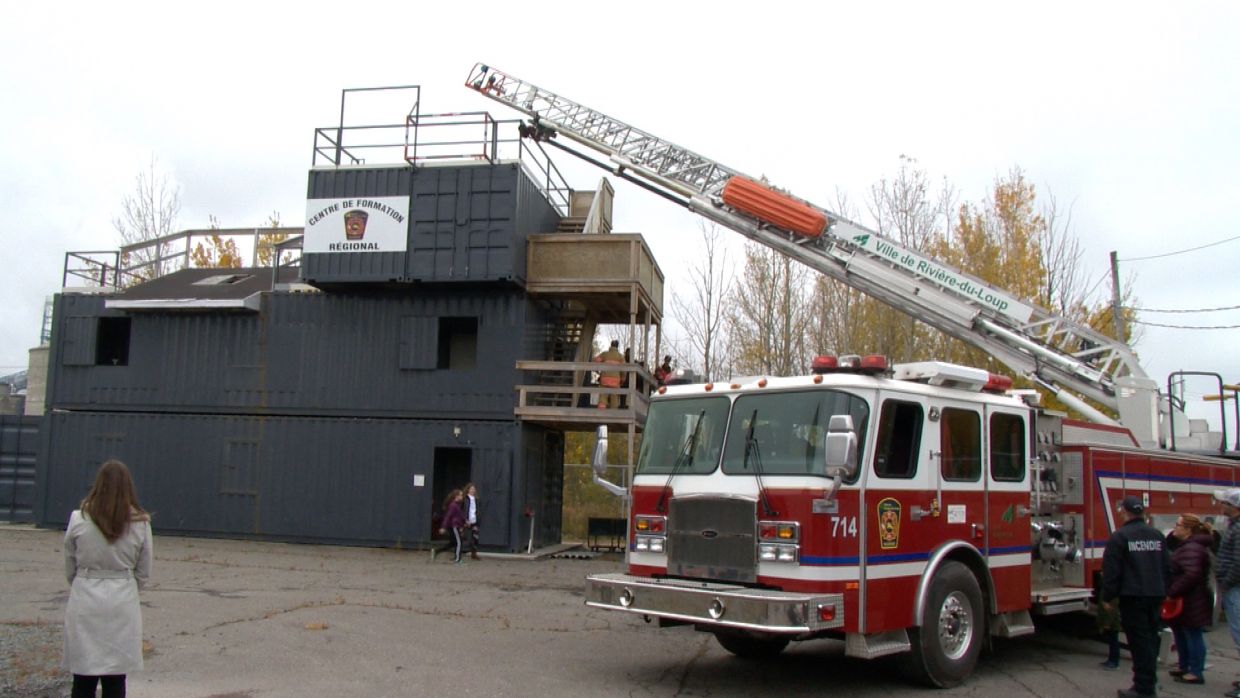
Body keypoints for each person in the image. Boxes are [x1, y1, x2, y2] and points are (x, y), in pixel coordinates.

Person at [63, 459, 153, 698]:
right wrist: (127, 585)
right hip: (121, 598)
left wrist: (83, 582)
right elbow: (144, 572)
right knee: (115, 677)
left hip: (86, 595)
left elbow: (69, 563)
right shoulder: (140, 524)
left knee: (83, 675)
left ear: (98, 484)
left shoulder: (78, 518)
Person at [1101, 495, 1171, 698]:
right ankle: (1148, 681)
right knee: (1149, 639)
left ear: (1124, 512)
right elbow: (1167, 567)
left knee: (1139, 643)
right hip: (1155, 594)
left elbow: (1112, 571)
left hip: (1133, 596)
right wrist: (1165, 590)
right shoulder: (1157, 535)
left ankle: (1143, 687)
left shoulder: (1120, 537)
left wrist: (1107, 597)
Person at [1165, 513, 1212, 685]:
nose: (1174, 528)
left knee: (1192, 634)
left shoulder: (1192, 548)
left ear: (1188, 529)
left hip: (1192, 599)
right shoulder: (1188, 546)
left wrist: (1172, 592)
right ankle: (1184, 665)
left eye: (1178, 525)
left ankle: (1195, 671)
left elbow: (1191, 575)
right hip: (1187, 598)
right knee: (1181, 632)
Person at [1214, 489, 1240, 698]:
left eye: (1225, 503)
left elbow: (1239, 562)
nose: (1221, 506)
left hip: (1236, 588)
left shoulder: (1239, 528)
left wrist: (1225, 582)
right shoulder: (1234, 526)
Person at [438, 489, 467, 564]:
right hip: (455, 526)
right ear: (456, 496)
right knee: (459, 542)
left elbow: (460, 515)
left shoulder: (457, 505)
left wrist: (465, 521)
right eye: (460, 495)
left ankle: (456, 558)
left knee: (457, 542)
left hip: (457, 525)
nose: (462, 496)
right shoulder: (453, 505)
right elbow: (448, 516)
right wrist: (443, 527)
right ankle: (457, 559)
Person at [594, 340, 624, 409]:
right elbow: (624, 370)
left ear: (611, 345)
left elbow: (595, 361)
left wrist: (597, 371)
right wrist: (622, 379)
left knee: (603, 398)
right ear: (617, 346)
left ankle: (601, 414)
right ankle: (613, 414)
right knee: (614, 399)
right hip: (615, 382)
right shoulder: (620, 356)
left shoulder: (605, 354)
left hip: (604, 380)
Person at [462, 483, 480, 561]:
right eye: (471, 489)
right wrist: (465, 519)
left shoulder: (477, 499)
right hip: (467, 521)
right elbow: (463, 510)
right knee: (468, 538)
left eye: (474, 489)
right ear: (468, 490)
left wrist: (478, 520)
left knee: (475, 538)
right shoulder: (465, 499)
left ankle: (474, 553)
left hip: (474, 521)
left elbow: (478, 510)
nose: (473, 490)